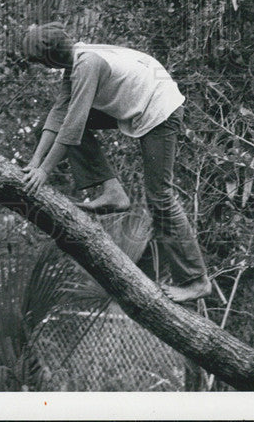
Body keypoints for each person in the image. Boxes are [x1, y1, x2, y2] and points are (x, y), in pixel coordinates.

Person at [21, 22, 212, 303]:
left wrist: (44, 173)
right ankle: (113, 192)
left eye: (40, 62)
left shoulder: (87, 64)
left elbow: (72, 126)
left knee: (160, 197)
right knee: (70, 121)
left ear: (50, 60)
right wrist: (35, 163)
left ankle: (196, 280)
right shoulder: (77, 60)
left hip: (159, 108)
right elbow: (59, 113)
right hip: (142, 99)